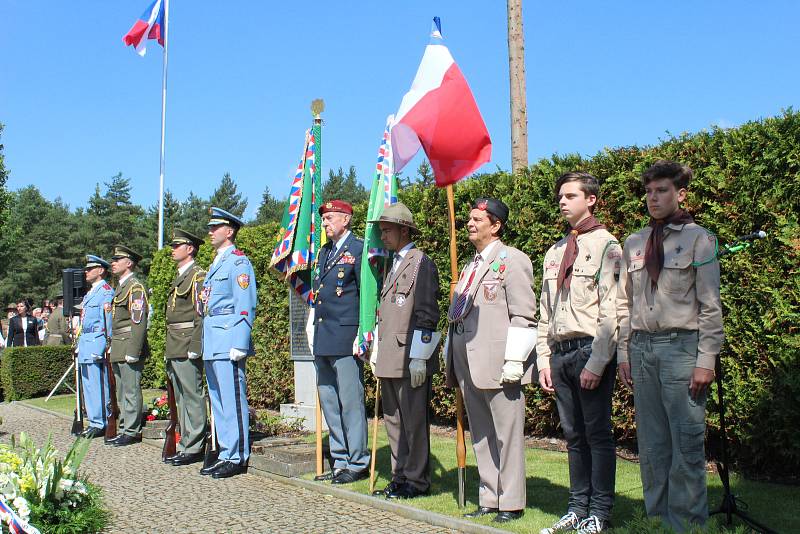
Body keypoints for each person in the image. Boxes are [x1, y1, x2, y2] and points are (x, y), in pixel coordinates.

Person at [616, 160, 723, 532]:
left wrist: (705, 359)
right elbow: (624, 305)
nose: (653, 198)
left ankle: (688, 526)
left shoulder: (700, 239)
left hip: (682, 350)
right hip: (642, 350)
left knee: (687, 446)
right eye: (648, 191)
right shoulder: (633, 242)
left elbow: (710, 305)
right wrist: (623, 353)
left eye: (661, 191)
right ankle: (656, 524)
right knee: (652, 447)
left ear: (680, 194)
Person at [537, 172, 622, 534]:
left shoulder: (608, 245)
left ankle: (599, 514)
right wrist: (543, 358)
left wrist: (599, 361)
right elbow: (545, 310)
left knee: (597, 434)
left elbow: (613, 308)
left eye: (570, 195)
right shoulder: (555, 251)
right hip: (561, 353)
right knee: (573, 435)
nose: (562, 201)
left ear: (591, 200)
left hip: (590, 349)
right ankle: (577, 507)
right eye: (560, 195)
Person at [444, 198, 538, 523]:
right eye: (468, 219)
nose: (470, 224)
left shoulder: (512, 260)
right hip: (469, 363)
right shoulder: (469, 267)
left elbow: (524, 315)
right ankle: (489, 496)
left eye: (477, 219)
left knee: (507, 436)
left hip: (501, 365)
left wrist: (516, 359)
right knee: (482, 435)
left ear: (495, 225)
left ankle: (510, 502)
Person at [369, 202, 440, 499]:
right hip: (390, 355)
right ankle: (400, 474)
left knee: (413, 421)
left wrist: (420, 356)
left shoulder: (420, 262)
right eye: (381, 230)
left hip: (410, 356)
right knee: (395, 420)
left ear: (403, 230)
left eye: (387, 230)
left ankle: (417, 479)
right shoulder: (392, 263)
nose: (382, 236)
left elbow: (426, 311)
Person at [309, 199, 370, 484]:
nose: (325, 223)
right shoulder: (323, 253)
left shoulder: (358, 249)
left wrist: (364, 332)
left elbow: (366, 295)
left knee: (350, 402)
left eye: (330, 217)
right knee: (330, 402)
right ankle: (340, 459)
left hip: (346, 337)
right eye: (324, 219)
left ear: (346, 219)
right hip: (323, 336)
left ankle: (357, 462)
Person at [200, 207, 257, 479]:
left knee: (232, 399)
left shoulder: (238, 263)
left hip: (228, 339)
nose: (210, 232)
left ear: (229, 231)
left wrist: (240, 340)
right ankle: (225, 452)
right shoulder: (217, 262)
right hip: (212, 339)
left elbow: (245, 304)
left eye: (216, 227)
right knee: (218, 400)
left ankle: (237, 455)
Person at [163, 229, 208, 466]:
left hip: (186, 340)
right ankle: (186, 442)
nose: (172, 249)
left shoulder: (197, 276)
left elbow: (201, 314)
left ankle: (195, 445)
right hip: (175, 342)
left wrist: (196, 343)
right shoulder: (182, 275)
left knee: (192, 395)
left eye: (176, 245)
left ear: (189, 249)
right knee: (180, 397)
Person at [107, 245, 150, 447]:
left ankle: (131, 430)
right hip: (118, 345)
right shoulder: (121, 287)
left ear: (129, 263)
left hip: (128, 346)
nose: (113, 263)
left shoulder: (135, 287)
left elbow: (138, 321)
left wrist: (135, 350)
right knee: (122, 391)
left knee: (130, 390)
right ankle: (125, 427)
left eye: (118, 259)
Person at [76, 255, 115, 439]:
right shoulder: (90, 293)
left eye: (90, 269)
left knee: (99, 384)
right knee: (88, 384)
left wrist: (108, 343)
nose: (86, 272)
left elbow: (108, 321)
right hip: (86, 340)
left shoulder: (106, 292)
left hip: (97, 341)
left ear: (100, 271)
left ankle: (101, 421)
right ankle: (93, 420)